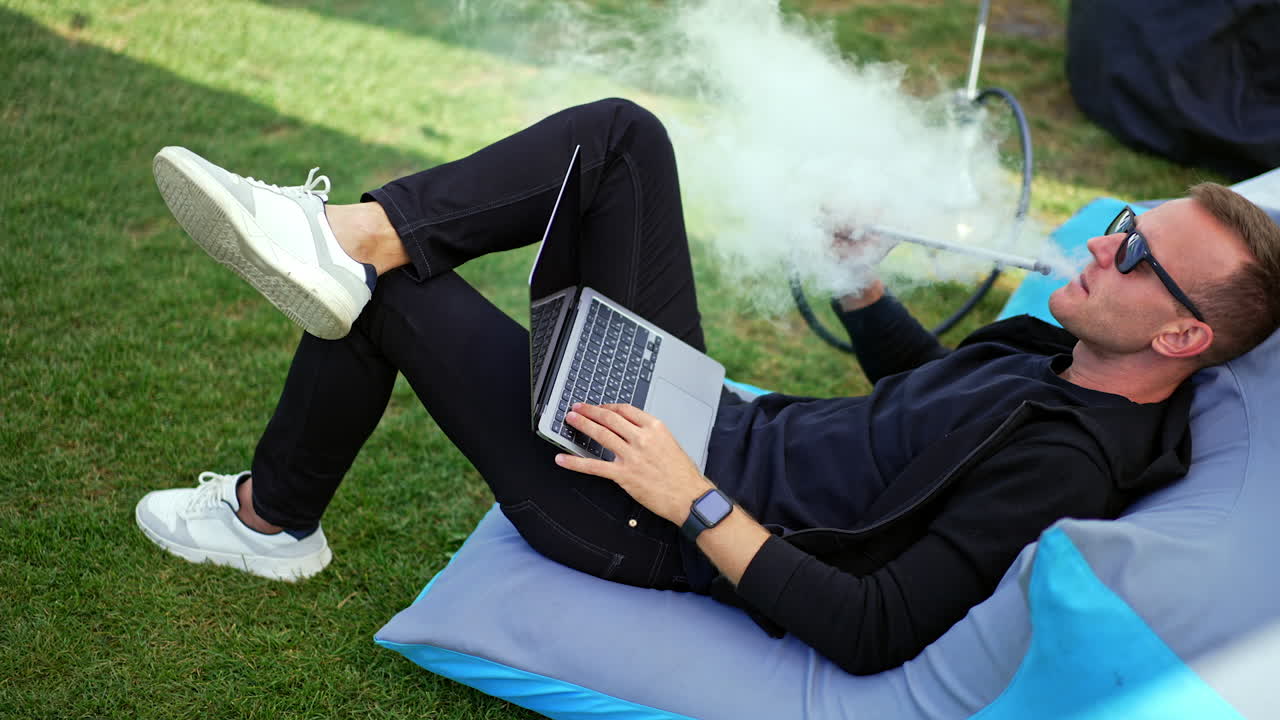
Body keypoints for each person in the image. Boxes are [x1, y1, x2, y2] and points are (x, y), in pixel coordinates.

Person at [135, 98, 1280, 675]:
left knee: (384, 291)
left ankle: (270, 518)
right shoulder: (1063, 356)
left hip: (642, 505)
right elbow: (940, 407)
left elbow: (876, 629)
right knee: (622, 139)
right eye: (1121, 222)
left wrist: (690, 498)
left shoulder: (1070, 464)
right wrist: (864, 289)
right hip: (704, 421)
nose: (1099, 246)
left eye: (1132, 253)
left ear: (1181, 335)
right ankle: (340, 235)